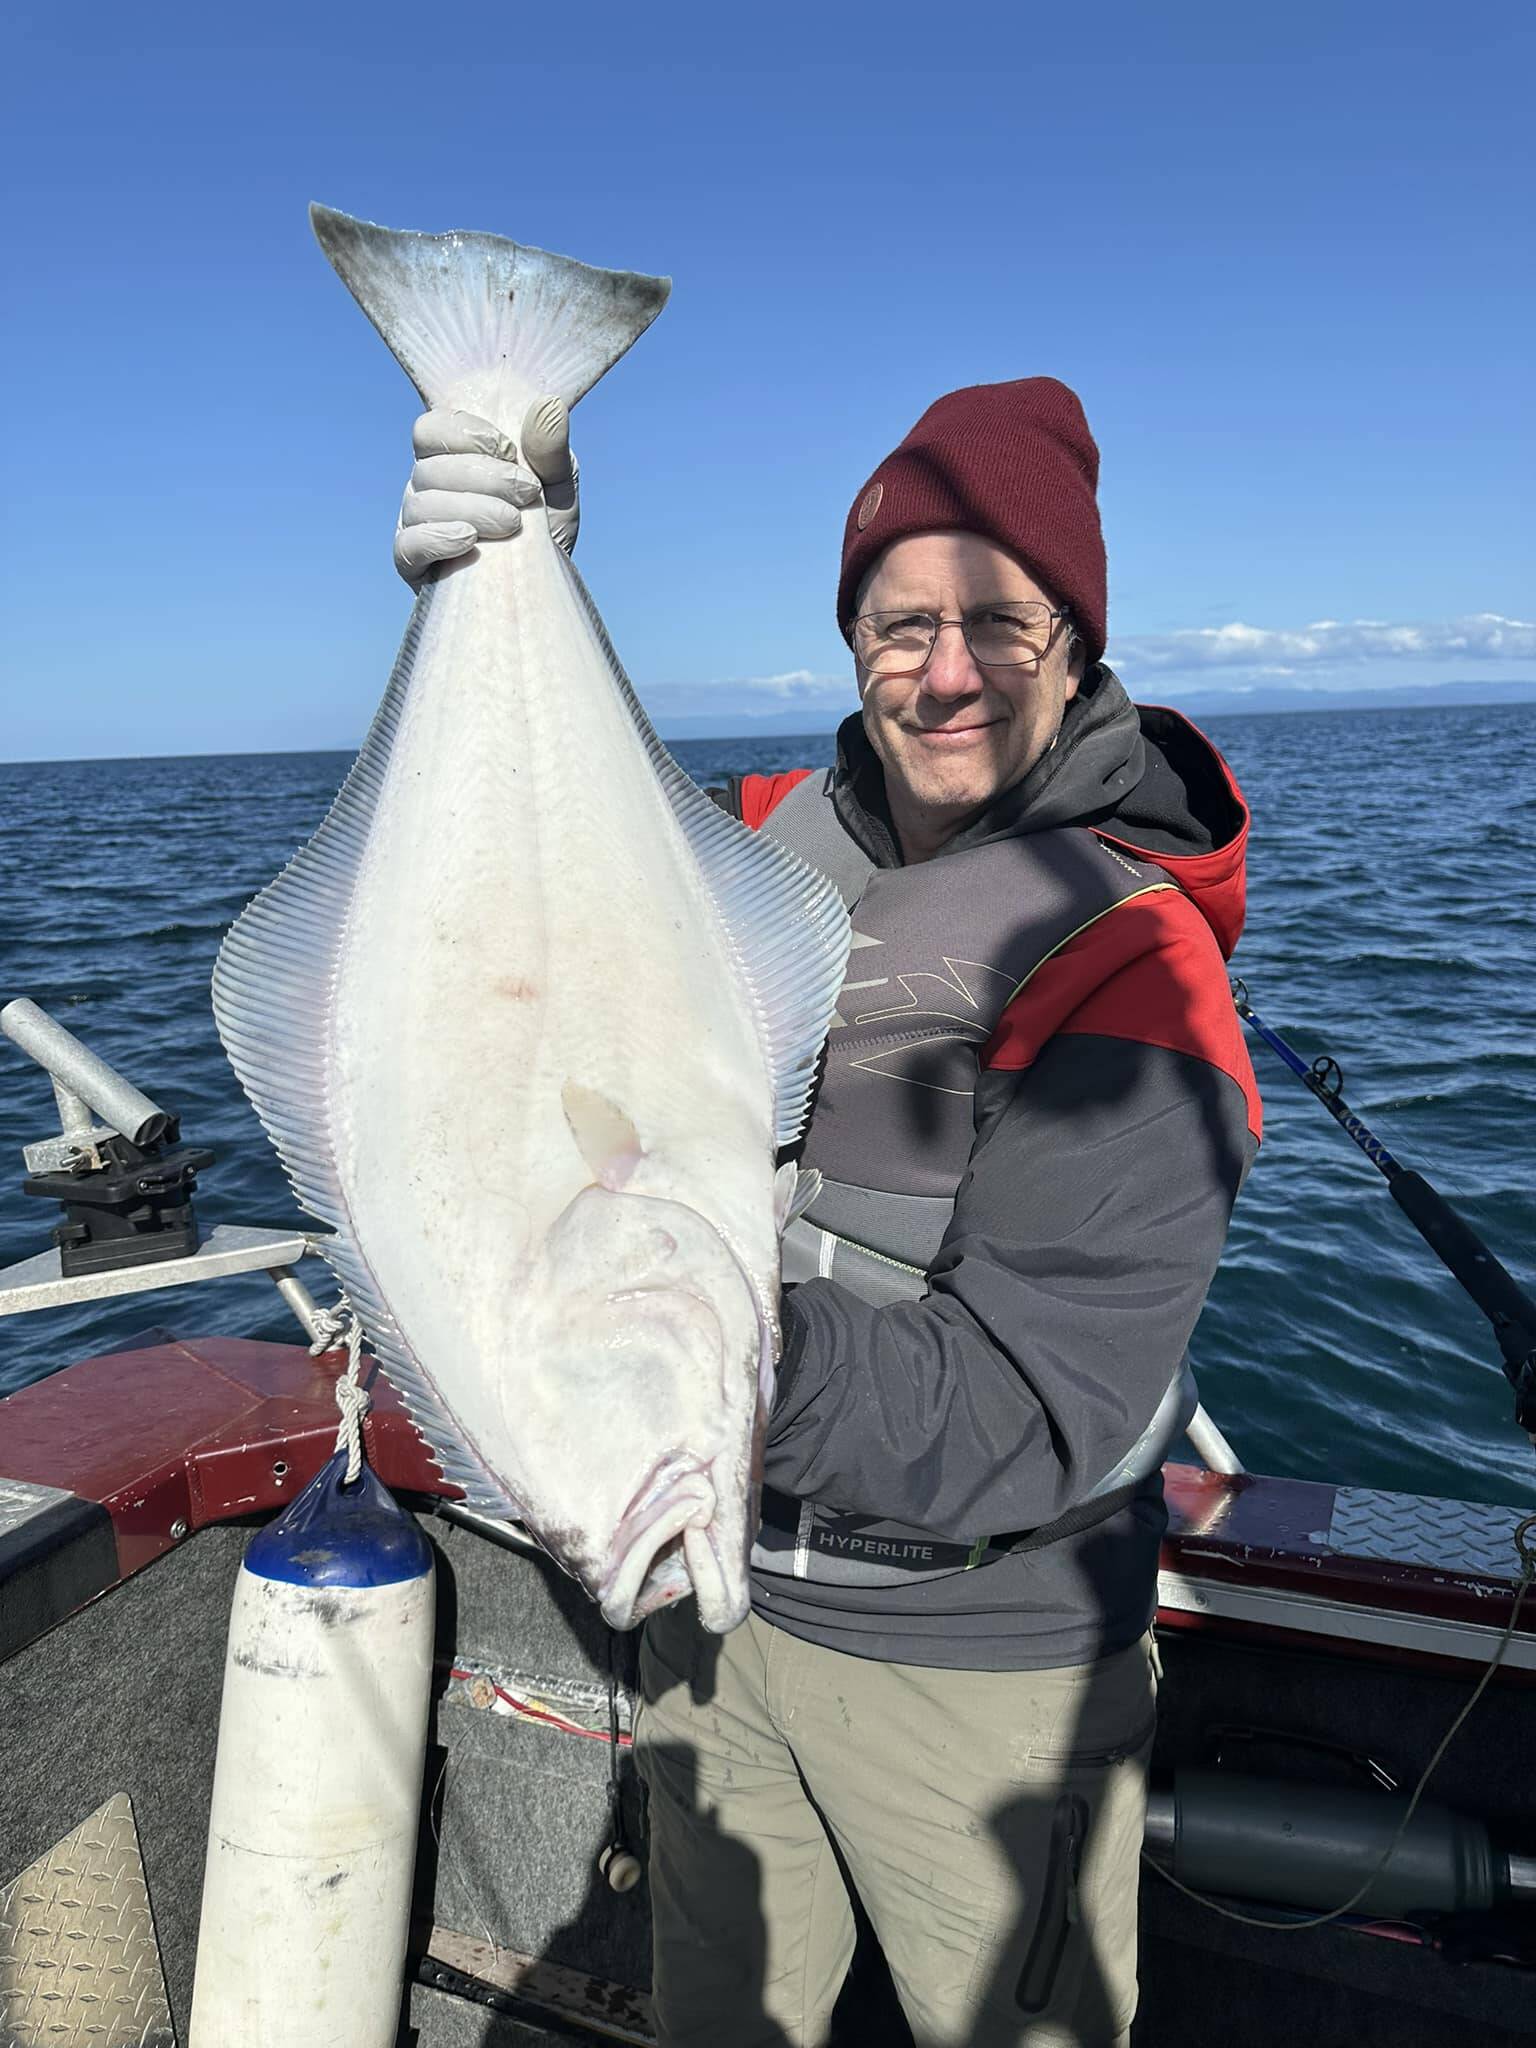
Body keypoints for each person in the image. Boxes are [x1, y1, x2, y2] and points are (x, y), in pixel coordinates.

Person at [393, 377, 1260, 2047]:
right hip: (716, 1607)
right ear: (850, 640)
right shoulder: (754, 841)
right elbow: (519, 868)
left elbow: (1030, 1406)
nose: (945, 672)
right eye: (899, 621)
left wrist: (687, 1339)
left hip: (976, 1666)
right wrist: (509, 563)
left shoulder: (1137, 963)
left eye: (1000, 623)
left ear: (1076, 640)